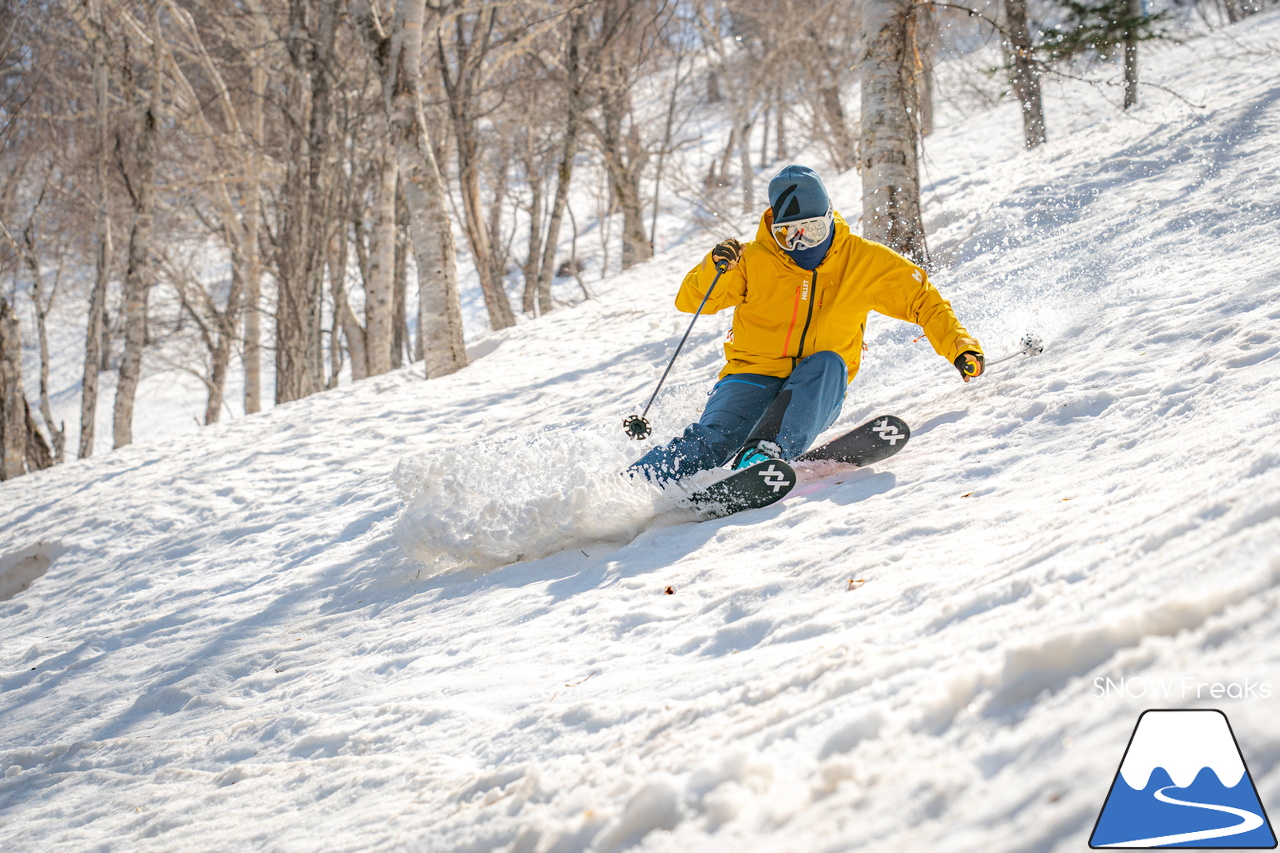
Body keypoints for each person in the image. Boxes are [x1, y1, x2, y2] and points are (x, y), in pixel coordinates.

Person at [630, 164, 984, 484]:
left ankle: (764, 454)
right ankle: (635, 484)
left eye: (812, 230)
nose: (801, 243)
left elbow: (924, 301)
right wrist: (714, 265)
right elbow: (690, 301)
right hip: (751, 374)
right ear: (774, 228)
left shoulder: (865, 261)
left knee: (829, 361)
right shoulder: (752, 260)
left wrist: (960, 347)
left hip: (815, 389)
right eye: (789, 234)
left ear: (829, 217)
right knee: (715, 438)